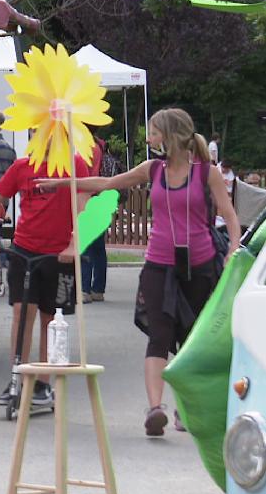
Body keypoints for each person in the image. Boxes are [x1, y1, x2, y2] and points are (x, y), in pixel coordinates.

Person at [38, 108, 240, 436]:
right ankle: (155, 409)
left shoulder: (207, 173)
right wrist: (62, 184)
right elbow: (106, 183)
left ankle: (185, 408)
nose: (149, 138)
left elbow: (229, 215)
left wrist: (232, 248)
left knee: (191, 340)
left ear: (171, 135)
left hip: (200, 267)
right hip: (159, 265)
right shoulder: (153, 169)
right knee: (160, 335)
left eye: (154, 132)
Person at [0, 153, 90, 408]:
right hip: (25, 248)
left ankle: (42, 383)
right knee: (21, 311)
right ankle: (17, 376)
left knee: (50, 319)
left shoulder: (74, 163)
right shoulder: (23, 166)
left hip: (59, 253)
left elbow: (82, 202)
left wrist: (75, 244)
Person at [82, 136, 119, 302]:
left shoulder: (87, 146)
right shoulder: (101, 146)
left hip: (90, 198)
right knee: (98, 247)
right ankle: (98, 289)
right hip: (103, 199)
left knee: (86, 245)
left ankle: (84, 289)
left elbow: (86, 174)